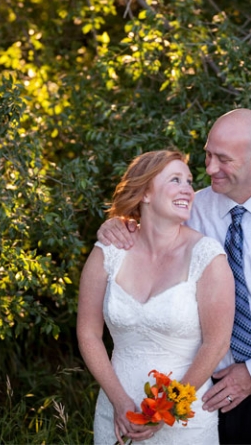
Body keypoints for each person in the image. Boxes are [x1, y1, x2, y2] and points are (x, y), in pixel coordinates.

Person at [97, 109, 251, 444]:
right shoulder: (190, 208)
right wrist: (118, 224)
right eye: (207, 154)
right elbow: (149, 239)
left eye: (222, 159)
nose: (209, 168)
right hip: (201, 385)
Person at [78, 150, 235, 444]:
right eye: (175, 179)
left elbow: (217, 343)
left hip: (185, 421)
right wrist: (119, 401)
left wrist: (169, 408)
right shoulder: (108, 252)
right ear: (145, 193)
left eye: (189, 181)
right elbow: (88, 333)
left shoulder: (207, 256)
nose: (187, 189)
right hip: (116, 413)